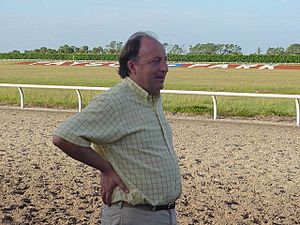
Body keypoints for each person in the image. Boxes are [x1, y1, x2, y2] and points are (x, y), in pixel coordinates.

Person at [52, 31, 182, 225]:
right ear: (132, 66)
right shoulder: (115, 101)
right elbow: (63, 137)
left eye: (165, 60)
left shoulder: (151, 98)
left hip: (163, 214)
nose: (164, 68)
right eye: (156, 61)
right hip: (134, 216)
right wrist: (106, 169)